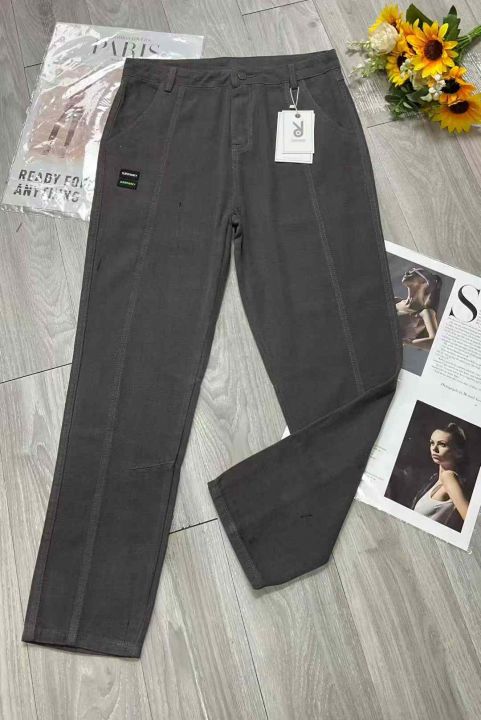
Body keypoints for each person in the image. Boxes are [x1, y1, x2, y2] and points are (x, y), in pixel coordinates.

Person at [411, 422, 471, 531]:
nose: (434, 448)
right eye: (432, 443)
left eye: (442, 444)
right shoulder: (437, 479)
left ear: (458, 452)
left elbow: (470, 519)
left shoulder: (449, 477)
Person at [394, 265, 441, 350]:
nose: (406, 272)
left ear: (425, 282)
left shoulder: (425, 313)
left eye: (414, 272)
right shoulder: (395, 300)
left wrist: (405, 342)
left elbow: (434, 343)